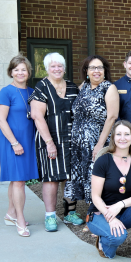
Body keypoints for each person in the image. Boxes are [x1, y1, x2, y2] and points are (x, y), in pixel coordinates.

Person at [87, 120, 131, 262]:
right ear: (113, 137)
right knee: (117, 238)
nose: (122, 138)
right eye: (118, 134)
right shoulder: (103, 161)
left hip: (123, 212)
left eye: (127, 134)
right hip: (99, 213)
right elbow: (95, 196)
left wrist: (120, 205)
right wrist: (109, 216)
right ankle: (102, 240)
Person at [29, 52, 83, 232]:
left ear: (64, 68)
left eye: (60, 65)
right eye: (53, 66)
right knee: (51, 179)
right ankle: (50, 216)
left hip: (71, 141)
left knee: (70, 178)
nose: (57, 69)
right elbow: (37, 116)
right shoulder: (41, 87)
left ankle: (70, 213)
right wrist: (50, 143)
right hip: (50, 140)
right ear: (47, 68)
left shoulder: (72, 87)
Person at [68, 55, 119, 205]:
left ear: (105, 70)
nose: (96, 71)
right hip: (79, 144)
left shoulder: (109, 88)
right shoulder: (83, 87)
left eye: (100, 67)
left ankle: (98, 213)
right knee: (83, 177)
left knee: (96, 178)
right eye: (92, 67)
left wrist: (99, 144)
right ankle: (90, 211)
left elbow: (112, 117)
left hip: (97, 142)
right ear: (86, 71)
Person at [0, 54, 38, 237]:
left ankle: (11, 213)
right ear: (11, 72)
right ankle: (20, 219)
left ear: (28, 72)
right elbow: (1, 120)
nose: (20, 72)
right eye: (16, 69)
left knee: (17, 179)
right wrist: (14, 143)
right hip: (12, 140)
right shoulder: (6, 91)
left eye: (23, 69)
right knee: (19, 181)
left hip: (27, 140)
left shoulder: (32, 92)